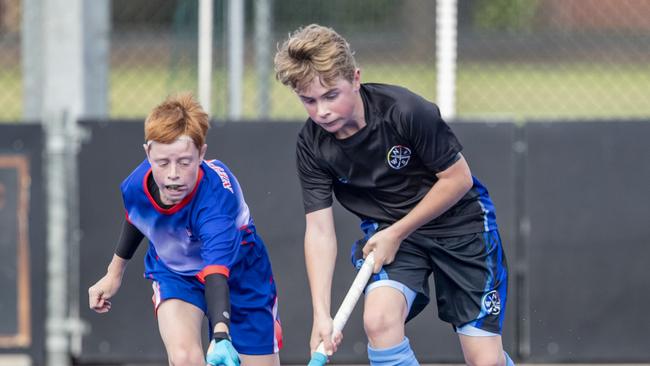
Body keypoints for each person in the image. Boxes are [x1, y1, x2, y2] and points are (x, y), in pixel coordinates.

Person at [274, 24, 514, 366]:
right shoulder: (312, 145)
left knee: (484, 360)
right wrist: (321, 315)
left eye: (330, 96)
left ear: (355, 79)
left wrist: (397, 232)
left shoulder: (405, 111)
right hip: (392, 235)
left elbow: (457, 179)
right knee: (379, 321)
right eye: (308, 101)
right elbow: (319, 230)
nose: (321, 111)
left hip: (461, 228)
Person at [88, 93, 282, 366]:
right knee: (185, 358)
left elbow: (216, 275)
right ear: (148, 153)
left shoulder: (215, 208)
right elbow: (138, 217)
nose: (173, 175)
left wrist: (221, 336)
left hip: (239, 271)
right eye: (163, 162)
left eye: (184, 162)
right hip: (175, 272)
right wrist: (113, 273)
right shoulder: (135, 185)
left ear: (201, 154)